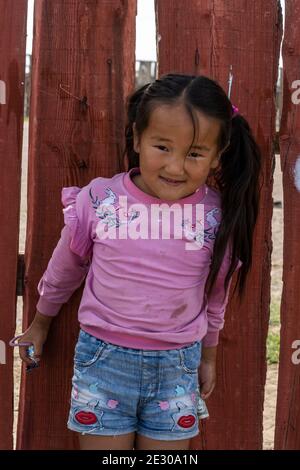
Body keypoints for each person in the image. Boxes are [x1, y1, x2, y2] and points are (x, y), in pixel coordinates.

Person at [17, 73, 261, 450]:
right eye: (162, 147)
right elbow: (64, 270)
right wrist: (40, 323)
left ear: (218, 154)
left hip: (177, 368)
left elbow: (215, 298)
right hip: (103, 363)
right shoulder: (101, 202)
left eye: (194, 153)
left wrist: (208, 357)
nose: (176, 167)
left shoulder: (216, 218)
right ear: (137, 137)